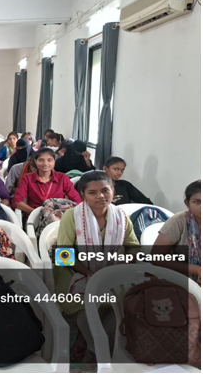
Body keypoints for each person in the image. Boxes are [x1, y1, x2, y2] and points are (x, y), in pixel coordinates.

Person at [54, 171, 140, 361]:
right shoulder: (72, 216)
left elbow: (133, 247)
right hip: (76, 274)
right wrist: (89, 273)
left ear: (113, 190)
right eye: (92, 192)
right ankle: (94, 351)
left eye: (105, 190)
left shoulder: (121, 217)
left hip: (113, 275)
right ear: (83, 195)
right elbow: (63, 256)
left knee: (119, 314)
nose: (100, 196)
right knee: (87, 316)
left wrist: (119, 266)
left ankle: (103, 352)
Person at [151, 180, 201, 283]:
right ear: (187, 204)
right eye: (197, 202)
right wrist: (198, 270)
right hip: (182, 278)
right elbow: (156, 257)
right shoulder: (178, 221)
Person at [13, 148, 81, 215]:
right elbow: (16, 201)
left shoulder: (62, 178)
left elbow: (77, 200)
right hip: (35, 217)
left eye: (49, 160)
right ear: (36, 161)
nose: (45, 163)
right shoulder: (27, 178)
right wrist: (38, 213)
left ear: (54, 161)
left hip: (59, 216)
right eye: (41, 160)